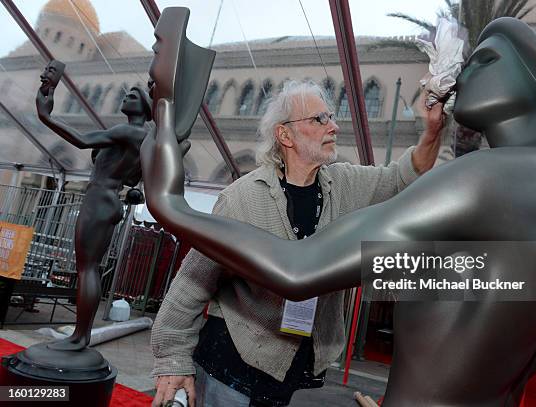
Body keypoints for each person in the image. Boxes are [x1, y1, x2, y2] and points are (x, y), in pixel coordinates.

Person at [141, 17, 536, 407]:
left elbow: (298, 268)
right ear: (285, 135)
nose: (461, 75)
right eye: (319, 118)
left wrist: (169, 203)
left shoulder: (482, 177)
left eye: (485, 60)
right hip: (238, 369)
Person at [148, 80, 445, 407]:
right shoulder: (240, 199)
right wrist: (172, 360)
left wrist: (431, 132)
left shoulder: (345, 185)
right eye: (318, 119)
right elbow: (193, 283)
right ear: (285, 135)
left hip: (296, 378)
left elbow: (402, 178)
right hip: (231, 371)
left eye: (330, 117)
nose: (333, 126)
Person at [36, 81, 152, 350]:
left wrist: (46, 116)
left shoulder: (129, 130)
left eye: (133, 96)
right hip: (108, 199)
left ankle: (80, 336)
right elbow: (135, 176)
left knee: (87, 269)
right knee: (89, 268)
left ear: (144, 108)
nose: (126, 97)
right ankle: (80, 334)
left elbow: (82, 140)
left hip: (100, 197)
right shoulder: (141, 139)